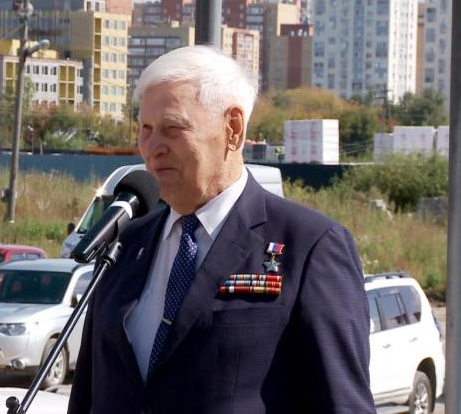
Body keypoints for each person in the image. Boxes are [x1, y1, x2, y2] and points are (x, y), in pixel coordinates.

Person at [68, 46, 374, 414]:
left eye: (173, 128)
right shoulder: (125, 244)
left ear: (233, 129)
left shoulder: (310, 248)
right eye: (145, 129)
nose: (152, 147)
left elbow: (343, 404)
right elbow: (87, 396)